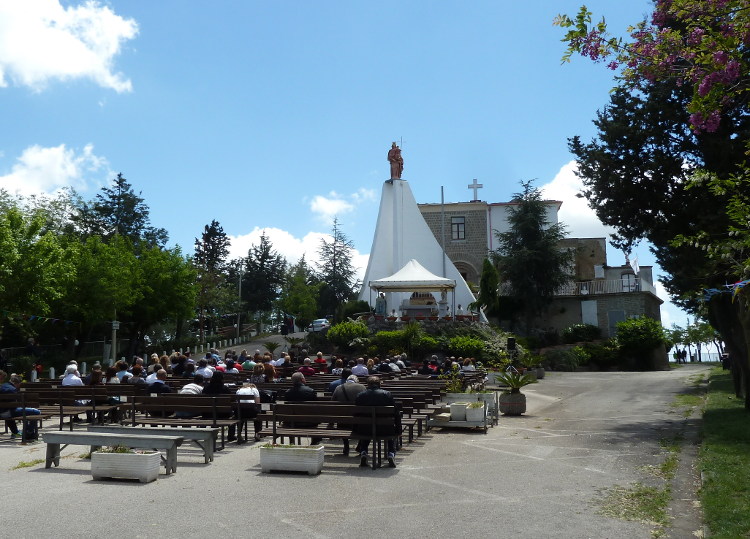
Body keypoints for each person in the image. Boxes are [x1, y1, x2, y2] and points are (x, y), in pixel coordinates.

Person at [355, 376, 398, 468]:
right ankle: (391, 453)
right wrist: (399, 430)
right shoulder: (387, 394)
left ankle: (364, 452)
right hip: (385, 429)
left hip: (365, 429)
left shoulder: (360, 395)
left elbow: (356, 414)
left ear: (368, 385)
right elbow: (396, 413)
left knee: (366, 427)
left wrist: (355, 428)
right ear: (379, 384)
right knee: (391, 432)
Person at [0, 371, 42, 439]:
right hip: (8, 412)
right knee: (37, 412)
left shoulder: (2, 386)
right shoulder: (12, 390)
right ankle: (29, 432)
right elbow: (14, 406)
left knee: (11, 412)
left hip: (1, 412)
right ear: (16, 383)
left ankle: (15, 432)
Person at [331, 374, 366, 455]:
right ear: (356, 381)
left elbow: (332, 402)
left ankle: (346, 445)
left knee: (342, 422)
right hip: (358, 420)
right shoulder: (362, 387)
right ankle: (360, 446)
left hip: (343, 420)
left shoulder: (338, 387)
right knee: (364, 421)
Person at [284, 372, 320, 444]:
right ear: (302, 379)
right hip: (310, 422)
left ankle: (292, 441)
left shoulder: (287, 393)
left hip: (292, 422)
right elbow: (316, 408)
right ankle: (314, 441)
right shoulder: (311, 391)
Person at [202, 371, 238, 442]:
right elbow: (231, 401)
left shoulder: (206, 388)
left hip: (207, 414)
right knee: (234, 416)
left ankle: (213, 434)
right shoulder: (225, 389)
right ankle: (231, 436)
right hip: (223, 414)